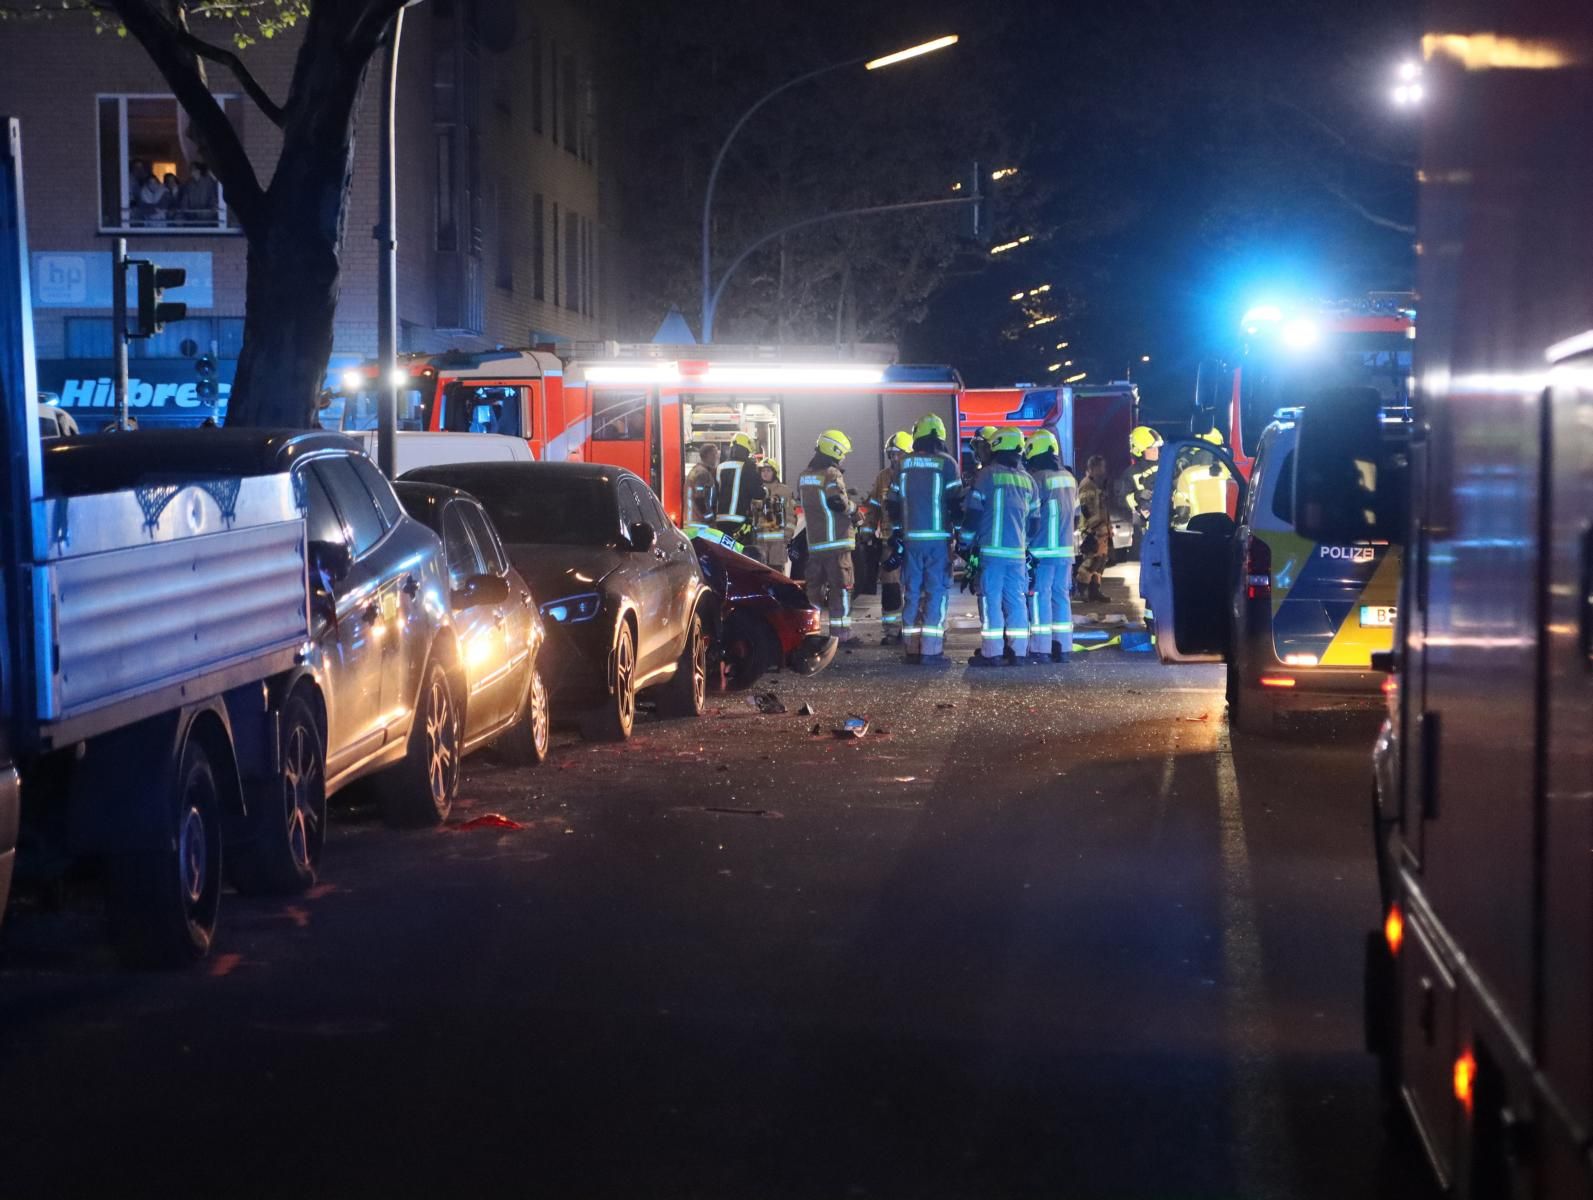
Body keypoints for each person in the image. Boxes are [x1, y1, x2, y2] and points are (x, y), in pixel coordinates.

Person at [889, 414, 963, 664]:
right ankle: (931, 650)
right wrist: (961, 534)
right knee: (936, 592)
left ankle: (910, 648)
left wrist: (898, 533)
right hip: (939, 541)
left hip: (911, 540)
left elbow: (892, 504)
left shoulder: (904, 463)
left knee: (911, 592)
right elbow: (955, 503)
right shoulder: (947, 464)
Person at [962, 427, 1037, 666]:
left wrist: (963, 543)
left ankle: (992, 653)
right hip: (1017, 555)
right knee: (1016, 602)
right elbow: (1034, 523)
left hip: (991, 554)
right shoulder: (1028, 480)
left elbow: (973, 514)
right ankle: (1019, 653)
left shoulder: (986, 476)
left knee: (991, 602)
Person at [798, 429, 861, 647]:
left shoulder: (805, 475)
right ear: (834, 450)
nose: (843, 457)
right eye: (842, 453)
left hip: (815, 544)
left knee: (813, 591)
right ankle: (841, 634)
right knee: (841, 588)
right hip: (837, 543)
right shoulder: (831, 473)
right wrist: (854, 509)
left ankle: (810, 632)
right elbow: (837, 503)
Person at [1023, 430, 1078, 662]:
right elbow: (1077, 517)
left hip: (1041, 551)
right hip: (1065, 551)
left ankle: (1040, 649)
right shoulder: (1069, 477)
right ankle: (1063, 647)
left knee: (1038, 597)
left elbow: (1029, 517)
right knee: (1061, 597)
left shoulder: (1037, 479)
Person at [866, 431, 912, 644]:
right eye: (891, 455)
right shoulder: (882, 477)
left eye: (898, 454)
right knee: (891, 588)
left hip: (912, 541)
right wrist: (867, 531)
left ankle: (915, 630)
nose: (894, 459)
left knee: (916, 587)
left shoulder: (916, 474)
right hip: (888, 541)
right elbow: (874, 506)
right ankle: (892, 631)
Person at [714, 431, 765, 546]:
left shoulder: (720, 467)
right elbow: (756, 493)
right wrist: (765, 492)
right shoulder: (747, 467)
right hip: (739, 521)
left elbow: (715, 493)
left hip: (720, 520)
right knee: (740, 554)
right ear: (745, 450)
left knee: (725, 552)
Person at [1075, 454, 1112, 604]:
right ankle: (1081, 590)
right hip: (1093, 530)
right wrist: (1094, 528)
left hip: (1101, 529)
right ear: (1093, 468)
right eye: (1101, 467)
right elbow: (1087, 509)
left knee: (1100, 561)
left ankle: (1094, 591)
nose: (1103, 470)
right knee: (1091, 561)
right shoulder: (1087, 485)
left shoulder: (1095, 485)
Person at [751, 458, 797, 572]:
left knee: (777, 573)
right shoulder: (756, 491)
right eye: (763, 471)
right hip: (760, 541)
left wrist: (787, 535)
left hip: (778, 542)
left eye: (768, 471)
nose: (765, 473)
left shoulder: (784, 491)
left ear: (774, 473)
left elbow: (790, 515)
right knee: (760, 573)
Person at [1127, 424, 1163, 530]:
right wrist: (1138, 497)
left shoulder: (1165, 466)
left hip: (1164, 522)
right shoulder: (1130, 474)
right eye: (1151, 448)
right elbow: (1121, 500)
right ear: (1139, 451)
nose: (1156, 451)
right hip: (1143, 527)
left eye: (1157, 447)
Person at [685, 442, 719, 530]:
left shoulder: (696, 471)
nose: (717, 457)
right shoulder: (703, 473)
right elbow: (699, 498)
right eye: (715, 454)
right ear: (709, 455)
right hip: (700, 524)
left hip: (691, 521)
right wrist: (709, 518)